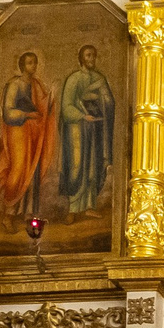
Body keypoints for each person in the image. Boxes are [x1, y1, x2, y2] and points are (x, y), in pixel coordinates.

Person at [56, 44, 116, 219]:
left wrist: (100, 100)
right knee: (77, 166)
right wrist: (83, 115)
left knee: (93, 166)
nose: (91, 59)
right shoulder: (74, 79)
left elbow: (109, 103)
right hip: (76, 130)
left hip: (95, 128)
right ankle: (73, 208)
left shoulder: (100, 78)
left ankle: (90, 205)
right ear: (81, 58)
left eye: (93, 56)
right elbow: (67, 107)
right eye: (88, 56)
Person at [0, 50, 55, 224]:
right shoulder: (14, 85)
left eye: (35, 62)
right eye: (30, 62)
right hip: (18, 132)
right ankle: (9, 210)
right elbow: (8, 113)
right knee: (19, 168)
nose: (33, 66)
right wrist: (28, 115)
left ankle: (28, 211)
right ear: (22, 65)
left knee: (33, 170)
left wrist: (52, 96)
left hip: (34, 133)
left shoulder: (37, 84)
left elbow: (43, 108)